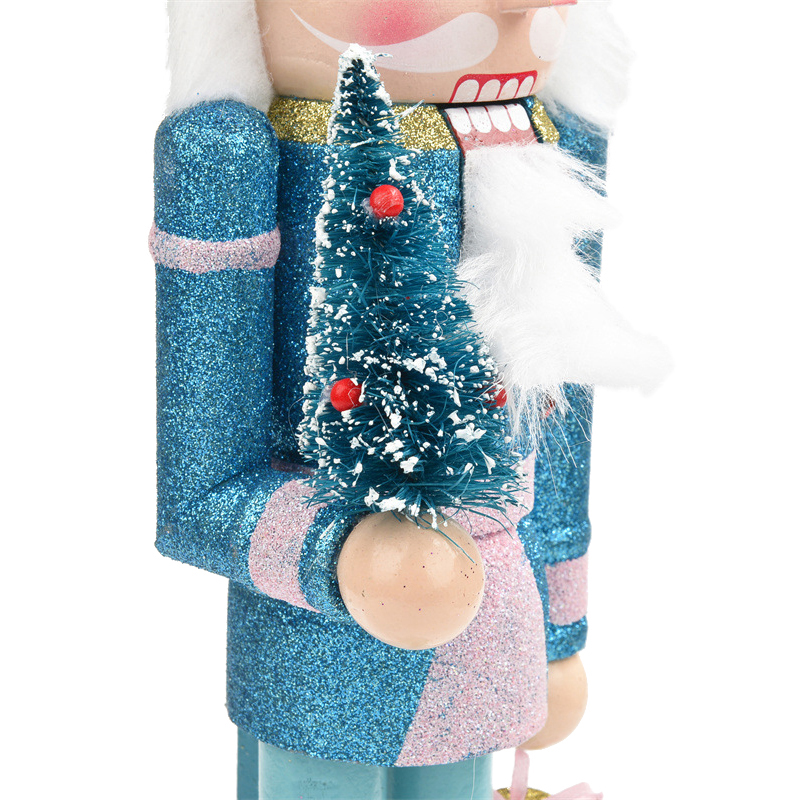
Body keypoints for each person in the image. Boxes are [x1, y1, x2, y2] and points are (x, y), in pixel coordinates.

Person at [151, 2, 664, 797]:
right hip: (315, 648)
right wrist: (344, 557)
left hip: (490, 630)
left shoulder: (548, 143)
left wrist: (559, 625)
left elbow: (557, 421)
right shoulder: (228, 158)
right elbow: (198, 490)